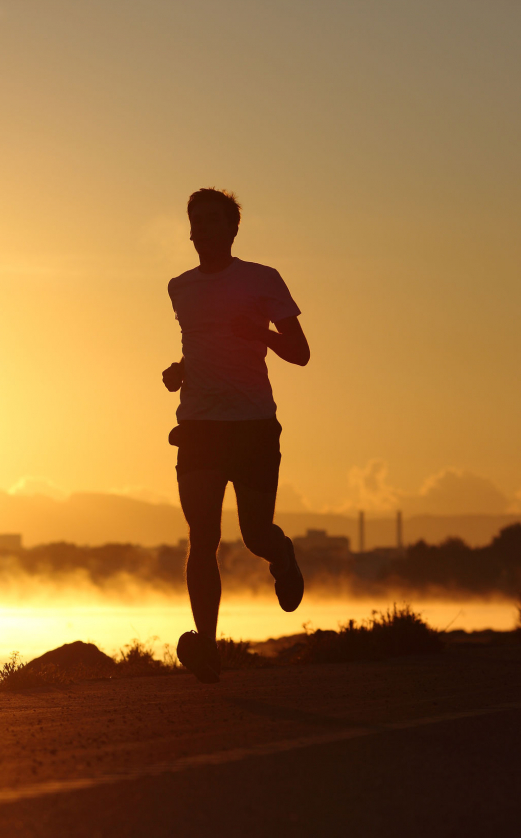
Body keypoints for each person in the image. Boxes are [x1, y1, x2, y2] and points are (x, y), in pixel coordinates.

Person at [164, 188, 310, 684]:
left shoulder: (261, 280)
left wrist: (260, 333)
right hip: (199, 425)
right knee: (202, 537)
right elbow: (202, 346)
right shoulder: (179, 287)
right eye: (196, 221)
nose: (202, 228)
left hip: (252, 425)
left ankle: (283, 555)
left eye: (213, 220)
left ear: (232, 229)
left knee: (254, 535)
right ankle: (207, 646)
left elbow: (300, 351)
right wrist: (181, 370)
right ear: (189, 230)